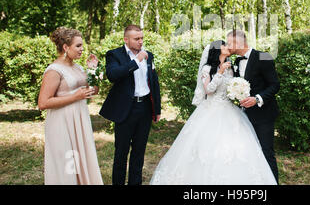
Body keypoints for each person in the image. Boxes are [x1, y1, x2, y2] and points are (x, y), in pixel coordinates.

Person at [150, 40, 277, 185]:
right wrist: (220, 72)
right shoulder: (207, 68)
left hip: (231, 111)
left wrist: (238, 92)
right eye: (225, 45)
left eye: (229, 43)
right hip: (212, 111)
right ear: (217, 50)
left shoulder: (232, 66)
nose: (228, 47)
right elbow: (208, 90)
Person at [38, 27, 103, 185]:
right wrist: (75, 96)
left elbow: (92, 91)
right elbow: (43, 103)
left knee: (80, 158)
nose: (82, 49)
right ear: (66, 48)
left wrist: (93, 71)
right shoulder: (54, 71)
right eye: (78, 46)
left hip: (80, 120)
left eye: (82, 45)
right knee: (67, 163)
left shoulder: (78, 68)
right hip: (62, 123)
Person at [99, 24, 161, 185]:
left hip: (145, 108)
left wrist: (157, 109)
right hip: (125, 109)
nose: (140, 42)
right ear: (126, 39)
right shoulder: (114, 55)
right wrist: (136, 61)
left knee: (139, 153)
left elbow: (154, 82)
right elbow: (113, 75)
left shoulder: (149, 55)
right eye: (136, 39)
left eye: (142, 38)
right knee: (121, 153)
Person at [226, 30, 281, 183]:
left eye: (230, 43)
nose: (228, 46)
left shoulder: (264, 56)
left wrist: (257, 99)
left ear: (239, 43)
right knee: (248, 153)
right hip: (243, 116)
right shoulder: (236, 62)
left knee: (266, 152)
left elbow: (275, 85)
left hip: (264, 115)